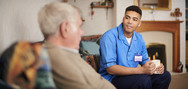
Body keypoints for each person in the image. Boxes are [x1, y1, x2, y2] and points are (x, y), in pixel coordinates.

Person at [37, 2, 116, 89]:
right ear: (65, 28)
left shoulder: (63, 53)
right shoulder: (60, 61)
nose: (82, 32)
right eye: (79, 26)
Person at [99, 5, 171, 89]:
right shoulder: (108, 37)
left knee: (165, 75)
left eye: (134, 19)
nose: (130, 21)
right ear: (123, 19)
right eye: (127, 18)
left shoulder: (139, 38)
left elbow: (144, 61)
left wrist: (155, 66)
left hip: (132, 75)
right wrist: (141, 70)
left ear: (139, 23)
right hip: (112, 78)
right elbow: (110, 69)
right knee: (144, 80)